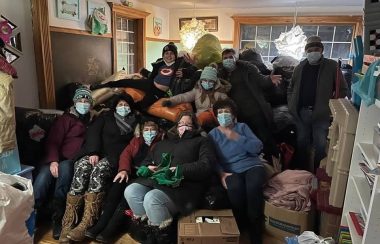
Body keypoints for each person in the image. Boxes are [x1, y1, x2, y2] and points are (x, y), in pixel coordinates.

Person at [124, 111, 215, 243]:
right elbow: (146, 161)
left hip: (183, 186)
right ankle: (148, 232)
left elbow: (206, 165)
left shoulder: (202, 141)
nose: (184, 126)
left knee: (152, 198)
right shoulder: (162, 143)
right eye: (181, 123)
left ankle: (164, 238)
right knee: (131, 191)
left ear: (194, 127)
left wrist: (180, 169)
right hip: (156, 181)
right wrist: (146, 168)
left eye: (188, 124)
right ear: (176, 126)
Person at [59, 93, 138, 243]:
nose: (123, 107)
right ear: (114, 107)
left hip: (116, 157)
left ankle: (87, 222)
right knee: (82, 167)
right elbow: (93, 133)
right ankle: (69, 222)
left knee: (99, 171)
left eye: (126, 105)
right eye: (120, 105)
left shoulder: (136, 121)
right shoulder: (105, 117)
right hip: (97, 151)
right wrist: (94, 151)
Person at [84, 121, 164, 243]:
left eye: (152, 129)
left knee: (125, 199)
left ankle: (110, 230)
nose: (149, 132)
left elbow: (160, 163)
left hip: (145, 177)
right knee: (116, 188)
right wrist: (123, 170)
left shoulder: (162, 143)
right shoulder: (136, 141)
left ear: (158, 131)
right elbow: (125, 154)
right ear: (142, 131)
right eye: (146, 129)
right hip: (131, 172)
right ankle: (100, 224)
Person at [33, 87, 93, 240]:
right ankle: (32, 214)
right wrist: (53, 161)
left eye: (87, 101)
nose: (84, 103)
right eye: (81, 100)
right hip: (54, 158)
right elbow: (53, 141)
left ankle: (58, 218)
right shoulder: (66, 119)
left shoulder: (93, 121)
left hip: (71, 161)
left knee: (66, 170)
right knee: (43, 178)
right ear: (75, 102)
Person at [208, 98, 266, 244]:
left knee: (253, 188)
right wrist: (221, 174)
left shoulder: (242, 127)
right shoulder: (213, 135)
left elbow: (257, 147)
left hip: (252, 165)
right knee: (235, 190)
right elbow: (213, 159)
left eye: (226, 111)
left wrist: (234, 136)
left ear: (233, 115)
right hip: (230, 170)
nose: (223, 114)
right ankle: (239, 227)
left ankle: (255, 232)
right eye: (220, 112)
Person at [287, 36, 348, 172]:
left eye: (317, 49)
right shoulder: (300, 67)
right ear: (306, 51)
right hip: (301, 113)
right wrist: (291, 105)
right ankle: (302, 173)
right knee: (301, 143)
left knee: (320, 146)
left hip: (322, 114)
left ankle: (318, 173)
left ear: (321, 50)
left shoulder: (332, 66)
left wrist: (331, 108)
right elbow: (290, 88)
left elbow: (342, 89)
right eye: (310, 50)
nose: (314, 52)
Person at [217, 48, 282, 162]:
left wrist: (269, 79)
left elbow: (261, 80)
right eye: (225, 58)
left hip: (254, 110)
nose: (228, 60)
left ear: (236, 58)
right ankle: (255, 162)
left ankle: (274, 162)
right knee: (246, 139)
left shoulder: (247, 68)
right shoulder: (222, 73)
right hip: (238, 114)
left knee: (264, 137)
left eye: (230, 57)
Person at [91, 42, 197, 111]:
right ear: (163, 54)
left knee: (143, 106)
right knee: (124, 82)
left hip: (159, 91)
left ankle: (119, 109)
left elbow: (195, 71)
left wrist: (186, 71)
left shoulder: (180, 63)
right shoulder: (159, 63)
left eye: (171, 53)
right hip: (150, 84)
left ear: (175, 55)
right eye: (166, 53)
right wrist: (143, 72)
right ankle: (99, 86)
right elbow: (152, 75)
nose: (169, 56)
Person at [162, 65, 230, 130]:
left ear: (215, 82)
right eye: (205, 80)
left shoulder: (220, 93)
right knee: (185, 119)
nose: (207, 83)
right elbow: (184, 97)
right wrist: (171, 101)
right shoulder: (197, 91)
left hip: (214, 119)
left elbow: (228, 106)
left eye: (210, 81)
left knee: (203, 118)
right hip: (198, 119)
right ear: (201, 80)